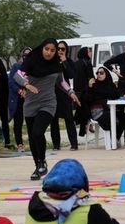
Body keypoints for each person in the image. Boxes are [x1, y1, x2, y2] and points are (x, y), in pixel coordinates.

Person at [13, 38, 80, 180]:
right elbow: (17, 75)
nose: (49, 52)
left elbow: (61, 81)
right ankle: (38, 166)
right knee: (32, 137)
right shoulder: (31, 61)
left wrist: (71, 93)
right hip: (31, 103)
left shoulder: (56, 64)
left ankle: (42, 161)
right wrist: (26, 84)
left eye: (52, 50)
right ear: (42, 48)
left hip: (48, 103)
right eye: (46, 49)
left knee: (38, 132)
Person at [50, 41, 78, 151]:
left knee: (69, 119)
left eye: (63, 49)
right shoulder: (51, 62)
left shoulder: (69, 61)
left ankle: (74, 144)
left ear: (66, 51)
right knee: (53, 120)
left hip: (65, 94)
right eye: (59, 49)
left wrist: (65, 62)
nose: (60, 51)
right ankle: (56, 145)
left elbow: (71, 75)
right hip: (52, 94)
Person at [8, 47, 31, 152]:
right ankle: (19, 144)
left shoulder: (33, 68)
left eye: (29, 55)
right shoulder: (17, 66)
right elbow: (11, 82)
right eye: (25, 55)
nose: (27, 57)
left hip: (30, 98)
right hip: (18, 98)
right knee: (18, 122)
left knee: (31, 122)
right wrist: (20, 91)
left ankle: (33, 142)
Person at [84, 66, 119, 132]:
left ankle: (115, 139)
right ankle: (113, 140)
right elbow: (87, 99)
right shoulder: (94, 85)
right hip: (97, 110)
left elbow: (116, 96)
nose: (99, 74)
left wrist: (123, 95)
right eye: (97, 73)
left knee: (124, 116)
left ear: (107, 74)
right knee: (111, 117)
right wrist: (90, 88)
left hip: (110, 109)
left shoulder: (111, 85)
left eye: (101, 73)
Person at [72, 47, 94, 137]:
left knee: (81, 109)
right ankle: (80, 124)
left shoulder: (75, 63)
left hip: (77, 91)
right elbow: (91, 77)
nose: (91, 53)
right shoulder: (87, 63)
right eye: (89, 51)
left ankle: (82, 126)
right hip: (86, 91)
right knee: (85, 110)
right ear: (85, 53)